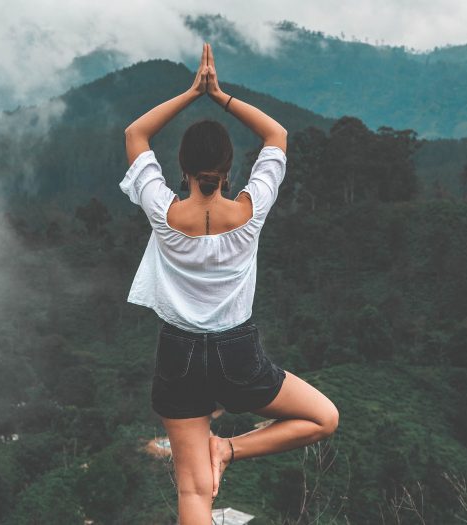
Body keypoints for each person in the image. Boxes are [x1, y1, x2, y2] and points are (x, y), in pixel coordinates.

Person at [121, 42, 339, 524]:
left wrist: (189, 93)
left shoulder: (162, 211)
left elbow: (136, 133)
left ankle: (215, 454)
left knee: (193, 492)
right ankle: (229, 451)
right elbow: (276, 134)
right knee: (324, 418)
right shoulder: (251, 210)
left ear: (181, 166)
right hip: (237, 355)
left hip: (178, 354)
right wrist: (219, 95)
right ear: (227, 168)